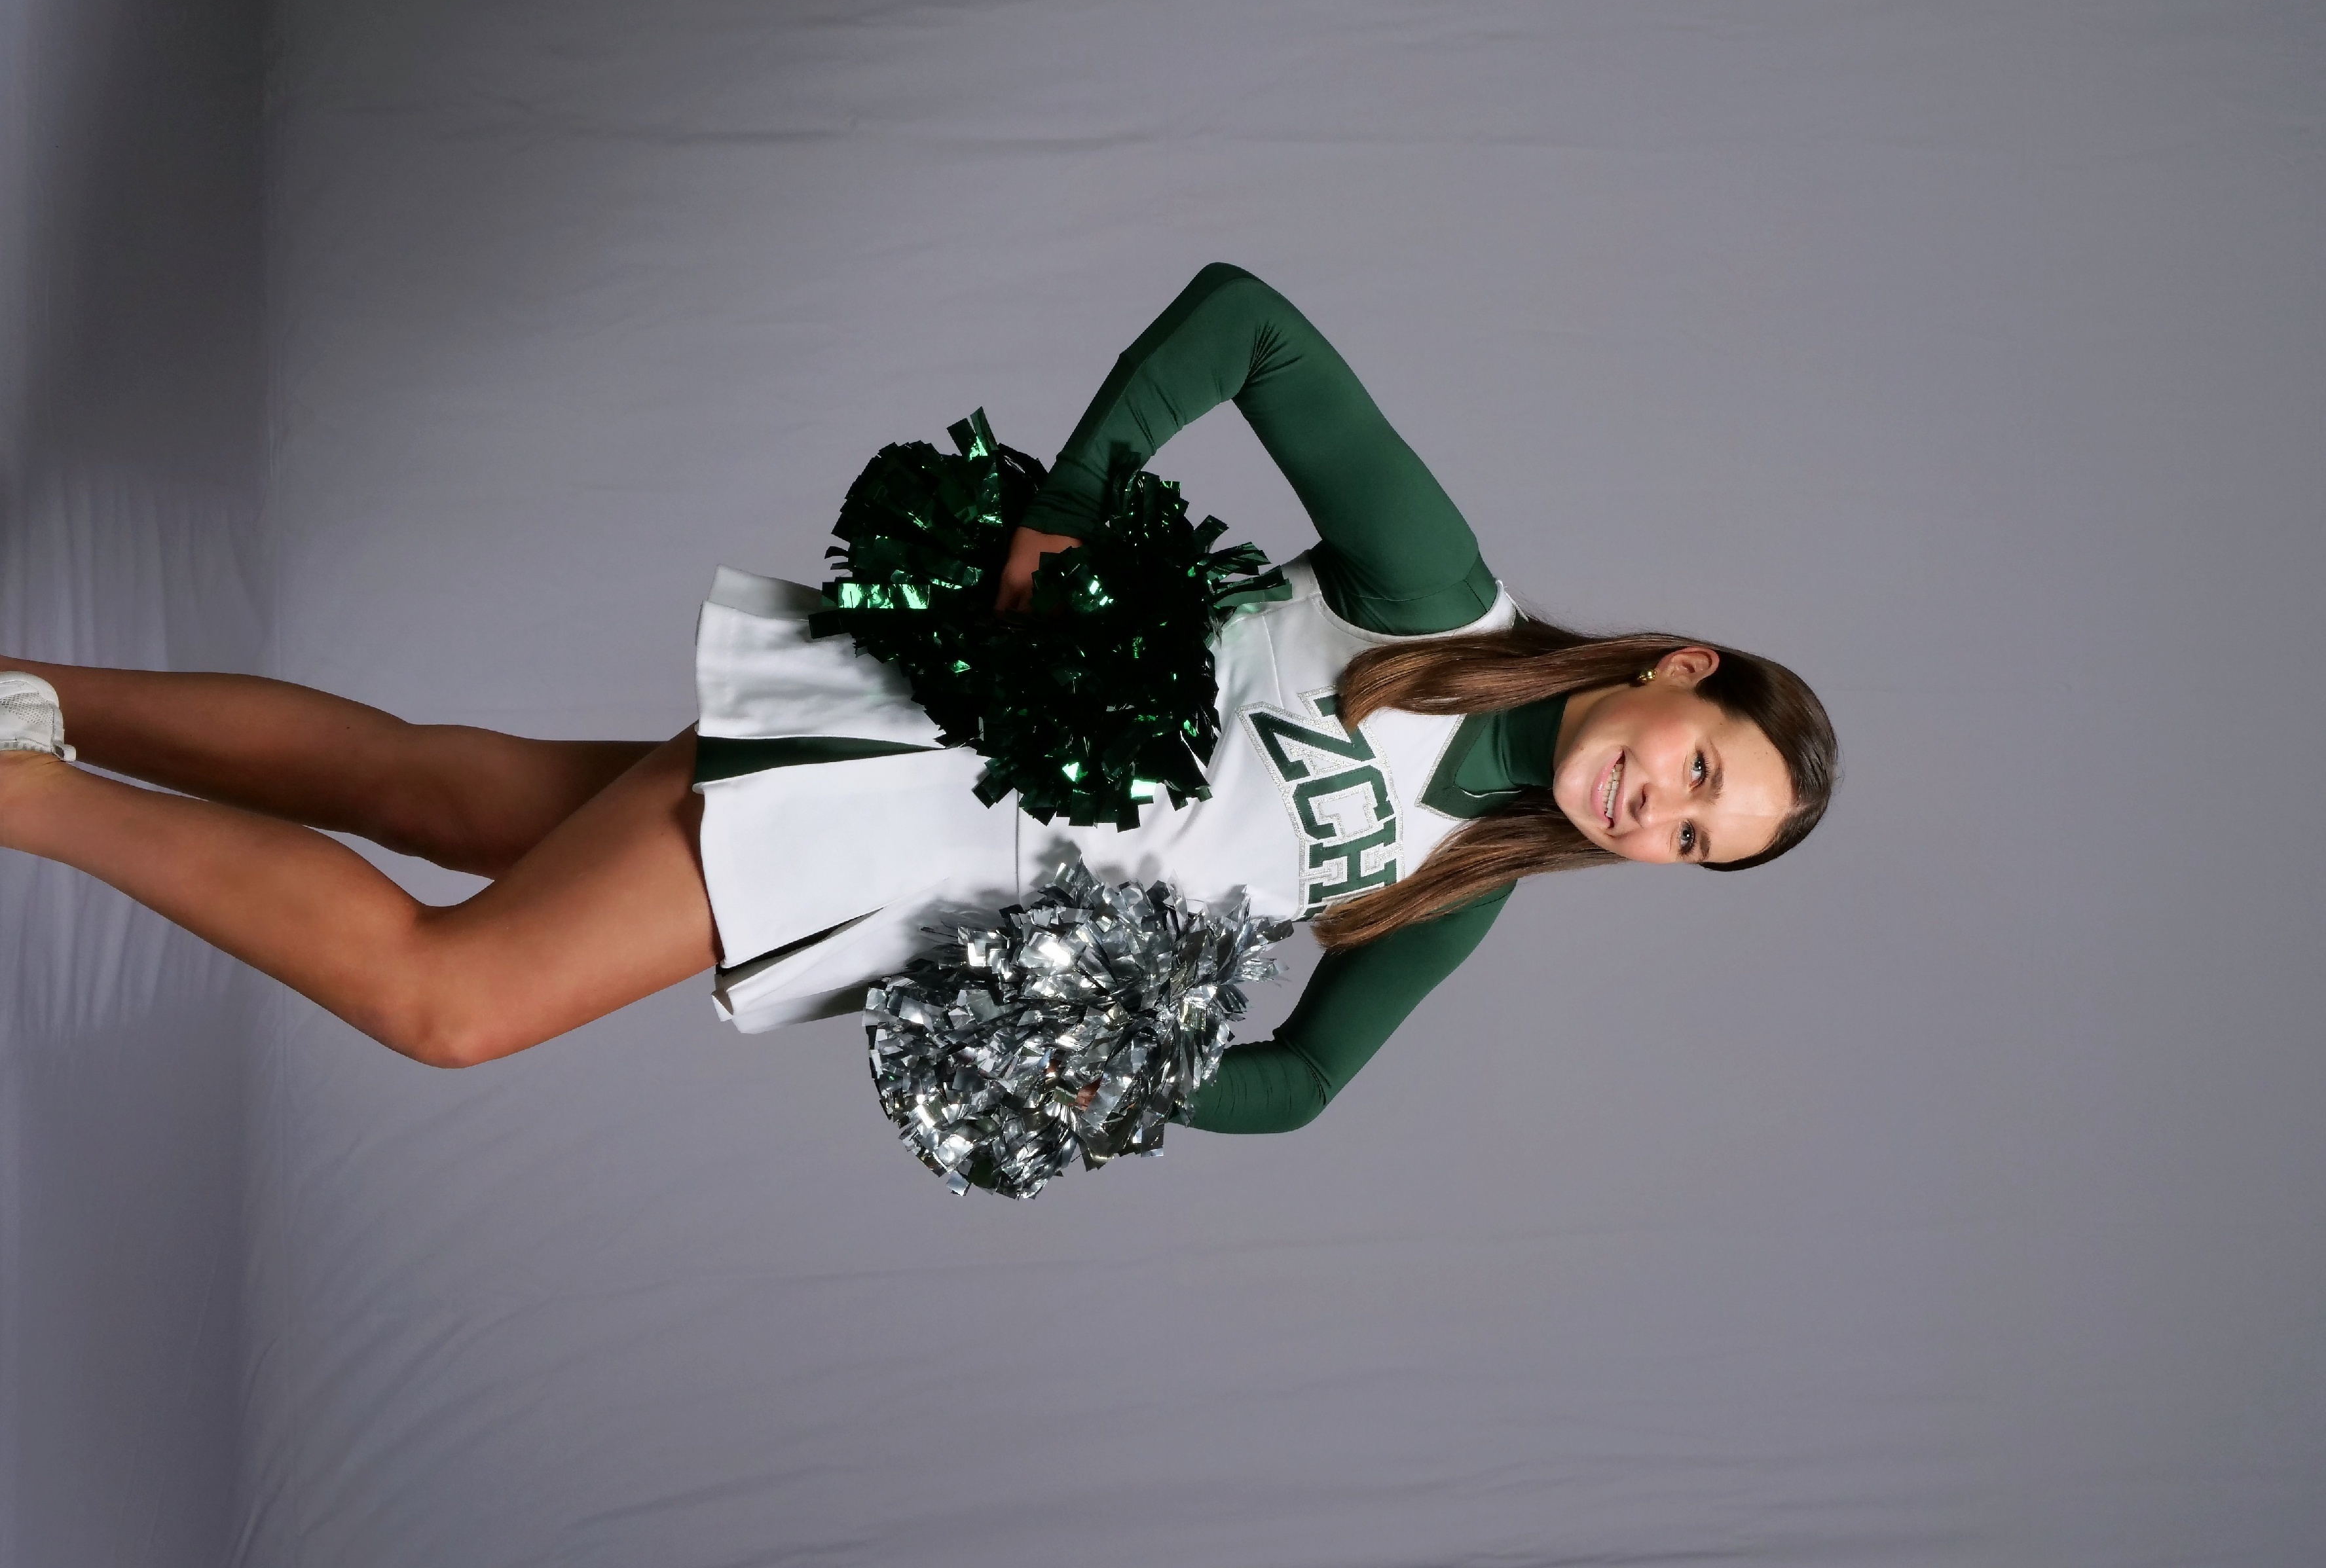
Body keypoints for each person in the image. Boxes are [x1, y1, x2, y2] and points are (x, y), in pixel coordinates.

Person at [0, 264, 1836, 1131]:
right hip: (906, 777)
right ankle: (15, 779)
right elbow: (1252, 323)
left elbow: (1295, 1086)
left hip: (920, 897)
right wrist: (1073, 496)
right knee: (451, 1001)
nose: (1656, 812)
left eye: (1694, 843)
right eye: (1700, 769)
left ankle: (32, 702)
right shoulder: (1439, 597)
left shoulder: (1460, 891)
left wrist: (1099, 1054)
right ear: (1678, 669)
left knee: (440, 796)